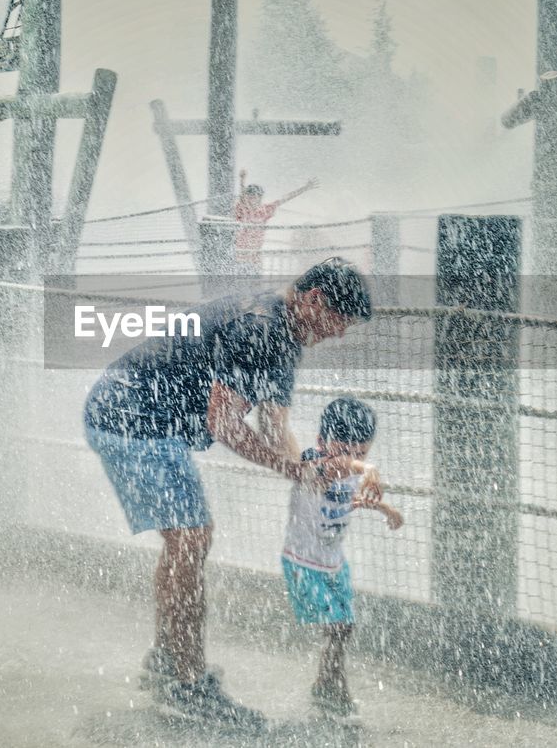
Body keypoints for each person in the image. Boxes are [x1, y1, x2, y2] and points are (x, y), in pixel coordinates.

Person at [83, 257, 382, 729]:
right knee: (191, 538)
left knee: (187, 540)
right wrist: (291, 467)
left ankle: (167, 660)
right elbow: (222, 422)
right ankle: (188, 683)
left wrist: (309, 469)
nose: (339, 334)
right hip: (128, 416)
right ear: (315, 300)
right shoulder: (259, 327)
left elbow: (274, 425)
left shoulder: (286, 334)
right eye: (339, 322)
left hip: (141, 419)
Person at [280, 396, 403, 720]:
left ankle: (326, 683)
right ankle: (333, 687)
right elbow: (331, 471)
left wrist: (385, 509)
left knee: (344, 626)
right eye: (344, 449)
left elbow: (354, 495)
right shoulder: (312, 463)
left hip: (334, 563)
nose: (352, 458)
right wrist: (363, 466)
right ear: (321, 442)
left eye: (361, 452)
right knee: (337, 625)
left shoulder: (352, 468)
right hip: (303, 563)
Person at [234, 170, 319, 273]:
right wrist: (242, 181)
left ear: (260, 198)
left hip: (254, 258)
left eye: (256, 196)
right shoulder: (242, 209)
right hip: (239, 255)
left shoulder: (264, 210)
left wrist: (304, 188)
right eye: (251, 196)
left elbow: (284, 198)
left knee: (253, 282)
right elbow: (242, 198)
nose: (253, 198)